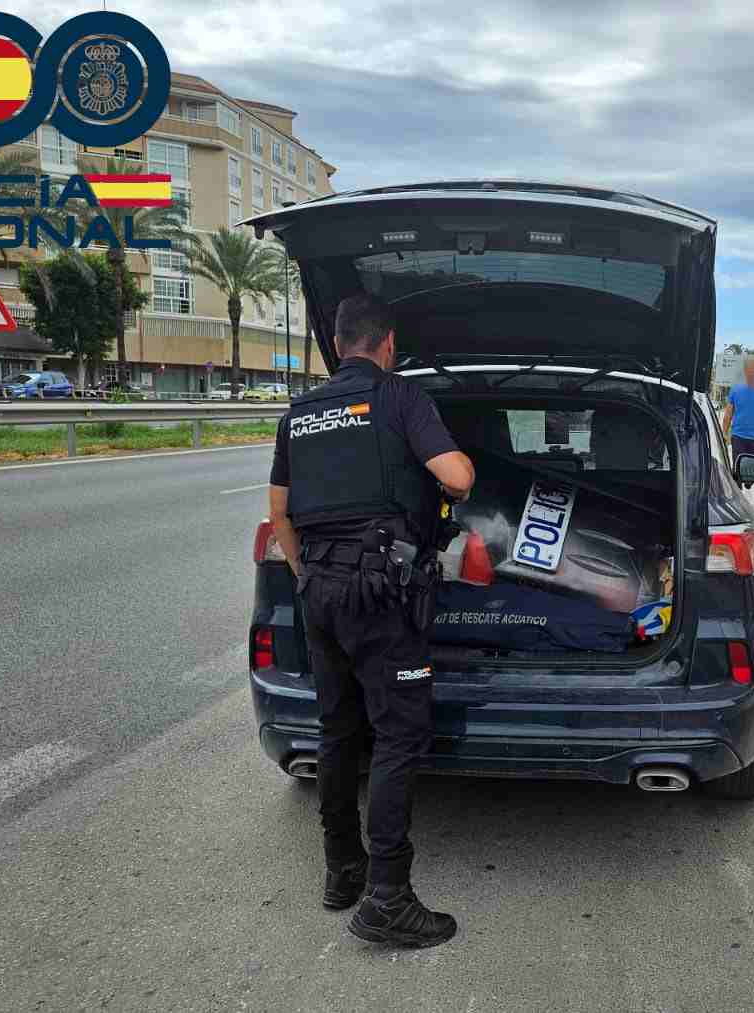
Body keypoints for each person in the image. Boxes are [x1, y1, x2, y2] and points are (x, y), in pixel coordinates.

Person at [267, 292, 475, 947]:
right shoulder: (400, 398)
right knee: (398, 736)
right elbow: (459, 476)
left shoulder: (298, 413)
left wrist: (306, 577)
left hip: (320, 592)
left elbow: (280, 514)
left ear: (338, 344)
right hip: (381, 596)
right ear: (387, 346)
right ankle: (388, 896)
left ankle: (341, 872)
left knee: (338, 730)